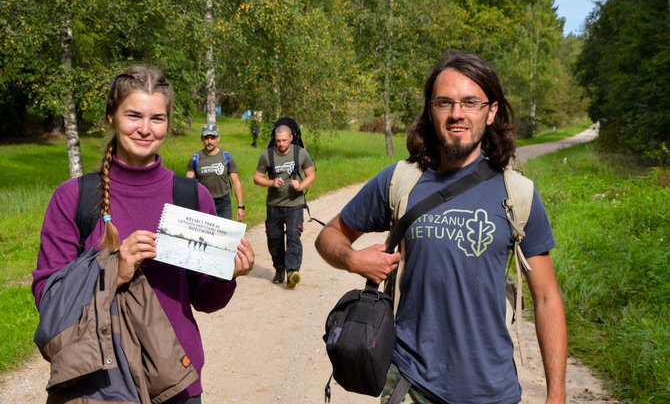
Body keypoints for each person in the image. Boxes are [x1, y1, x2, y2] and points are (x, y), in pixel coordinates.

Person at [315, 51, 567, 404]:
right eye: (444, 103)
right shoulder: (401, 181)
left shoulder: (518, 195)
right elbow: (330, 235)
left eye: (470, 103)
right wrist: (351, 259)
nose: (456, 114)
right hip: (410, 383)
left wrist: (557, 393)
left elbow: (545, 298)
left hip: (492, 390)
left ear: (491, 111)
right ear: (430, 111)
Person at [32, 66, 255, 404]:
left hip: (177, 379)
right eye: (133, 115)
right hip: (97, 383)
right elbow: (47, 296)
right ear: (111, 116)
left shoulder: (192, 197)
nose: (145, 129)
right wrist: (112, 272)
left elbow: (203, 299)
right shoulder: (74, 198)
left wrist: (227, 275)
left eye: (157, 118)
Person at [253, 123, 315, 288]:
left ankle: (292, 271)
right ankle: (279, 268)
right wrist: (271, 182)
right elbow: (257, 178)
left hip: (294, 203)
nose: (281, 144)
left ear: (291, 138)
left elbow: (311, 175)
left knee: (294, 234)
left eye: (284, 140)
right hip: (274, 204)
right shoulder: (267, 155)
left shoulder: (300, 153)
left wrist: (300, 186)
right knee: (274, 238)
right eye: (278, 140)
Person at [187, 123, 245, 221]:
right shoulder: (195, 159)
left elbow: (236, 182)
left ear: (218, 138)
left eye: (213, 137)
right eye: (206, 138)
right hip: (203, 203)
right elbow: (188, 185)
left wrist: (240, 206)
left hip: (223, 203)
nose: (209, 141)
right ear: (202, 139)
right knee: (204, 236)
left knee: (224, 234)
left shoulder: (226, 157)